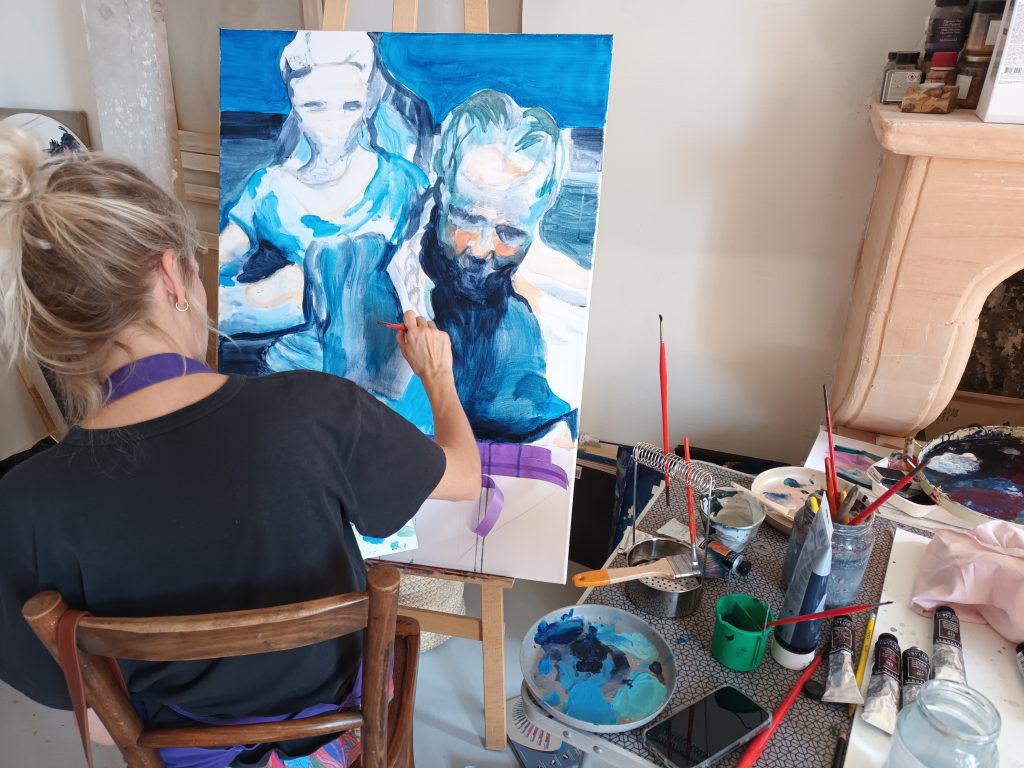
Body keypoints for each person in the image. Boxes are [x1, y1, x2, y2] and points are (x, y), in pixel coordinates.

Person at [0, 125, 479, 768]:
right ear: (171, 276)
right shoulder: (316, 408)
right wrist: (439, 377)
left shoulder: (24, 503)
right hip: (336, 731)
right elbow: (464, 477)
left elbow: (91, 712)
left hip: (187, 753)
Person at [219, 31, 430, 402]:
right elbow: (211, 284)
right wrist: (270, 301)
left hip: (386, 384)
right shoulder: (269, 189)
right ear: (294, 104)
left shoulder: (403, 183)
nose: (334, 124)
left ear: (368, 103)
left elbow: (429, 288)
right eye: (315, 106)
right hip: (294, 380)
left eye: (350, 106)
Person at [418, 90, 586, 443]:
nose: (481, 250)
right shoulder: (388, 275)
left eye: (509, 233)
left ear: (539, 218)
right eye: (466, 219)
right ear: (442, 188)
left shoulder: (544, 323)